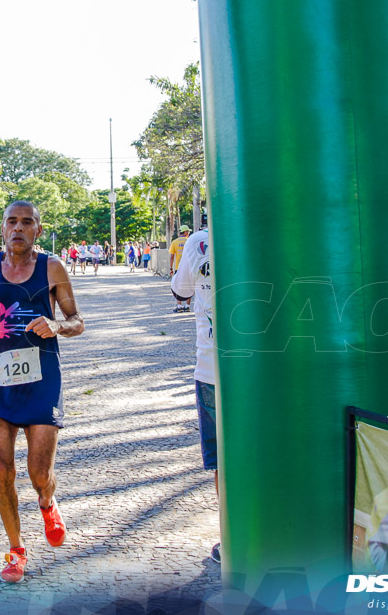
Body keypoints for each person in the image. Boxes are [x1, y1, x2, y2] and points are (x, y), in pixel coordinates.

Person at [0, 200, 85, 583]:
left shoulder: (52, 268)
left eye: (27, 222)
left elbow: (77, 320)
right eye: (12, 221)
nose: (19, 228)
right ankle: (15, 549)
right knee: (0, 469)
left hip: (42, 378)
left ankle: (47, 499)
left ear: (38, 230)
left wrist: (57, 326)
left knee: (38, 472)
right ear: (2, 228)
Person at [170, 224, 220, 562]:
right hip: (268, 369)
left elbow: (181, 291)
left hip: (212, 367)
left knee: (225, 461)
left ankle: (234, 536)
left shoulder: (199, 241)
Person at [169, 225, 193, 311]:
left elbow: (171, 257)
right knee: (190, 286)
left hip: (178, 268)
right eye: (188, 232)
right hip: (189, 268)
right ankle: (187, 306)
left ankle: (179, 306)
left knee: (177, 286)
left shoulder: (174, 242)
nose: (189, 233)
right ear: (185, 232)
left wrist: (171, 268)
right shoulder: (190, 241)